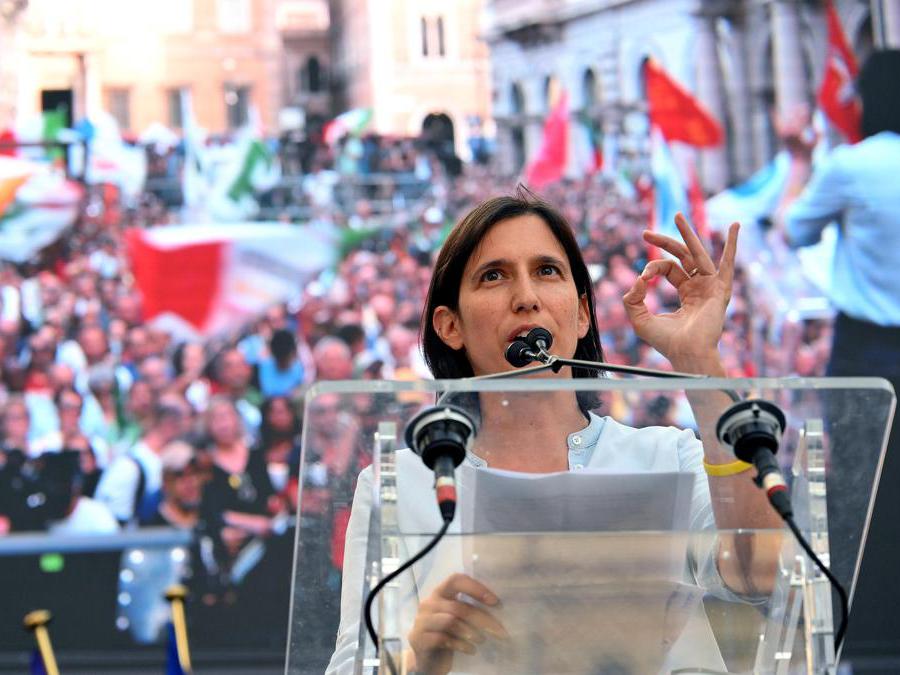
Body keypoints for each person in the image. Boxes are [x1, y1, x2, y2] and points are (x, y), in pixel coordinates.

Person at [326, 192, 783, 674]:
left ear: (582, 313)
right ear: (450, 326)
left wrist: (698, 363)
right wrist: (413, 659)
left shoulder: (666, 457)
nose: (527, 297)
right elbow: (350, 665)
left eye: (547, 271)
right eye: (494, 276)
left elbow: (760, 574)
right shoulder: (399, 486)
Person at [778, 50, 900, 655]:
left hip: (867, 353)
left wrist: (799, 160)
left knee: (863, 496)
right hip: (866, 347)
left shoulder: (852, 166)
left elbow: (792, 229)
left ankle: (870, 637)